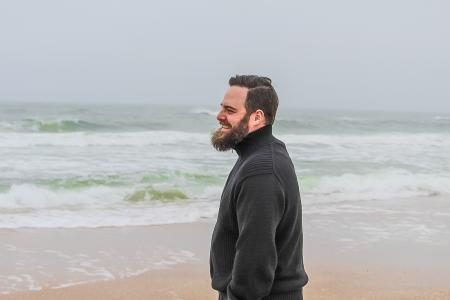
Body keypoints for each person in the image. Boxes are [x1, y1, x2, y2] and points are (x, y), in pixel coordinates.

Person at [209, 75, 308, 300]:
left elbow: (254, 263)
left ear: (257, 118)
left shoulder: (260, 171)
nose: (220, 116)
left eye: (230, 110)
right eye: (221, 108)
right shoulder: (260, 156)